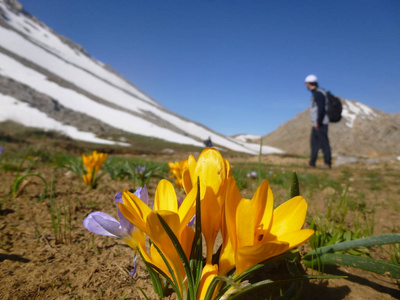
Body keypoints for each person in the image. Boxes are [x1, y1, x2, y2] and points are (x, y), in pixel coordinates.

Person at [304, 74, 332, 169]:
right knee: (314, 144)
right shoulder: (316, 93)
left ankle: (327, 163)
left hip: (321, 123)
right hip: (316, 123)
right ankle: (312, 163)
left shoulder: (319, 93)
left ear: (308, 83)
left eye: (306, 84)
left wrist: (318, 122)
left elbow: (321, 109)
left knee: (324, 143)